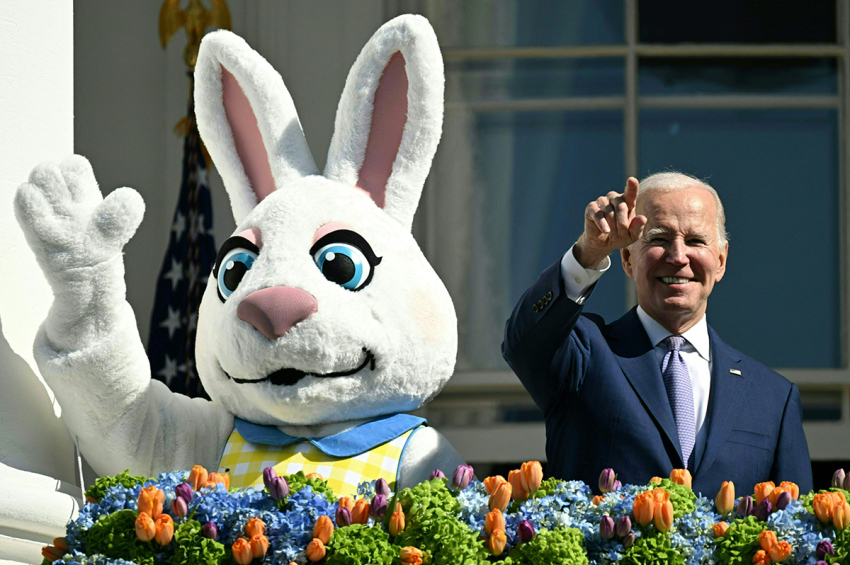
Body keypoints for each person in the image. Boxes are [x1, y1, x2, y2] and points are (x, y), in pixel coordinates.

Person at [502, 172, 813, 497]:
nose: (678, 256)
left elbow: (796, 529)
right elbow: (523, 341)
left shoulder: (773, 398)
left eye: (695, 241)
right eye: (659, 239)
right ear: (627, 258)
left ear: (720, 261)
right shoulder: (585, 353)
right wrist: (589, 251)